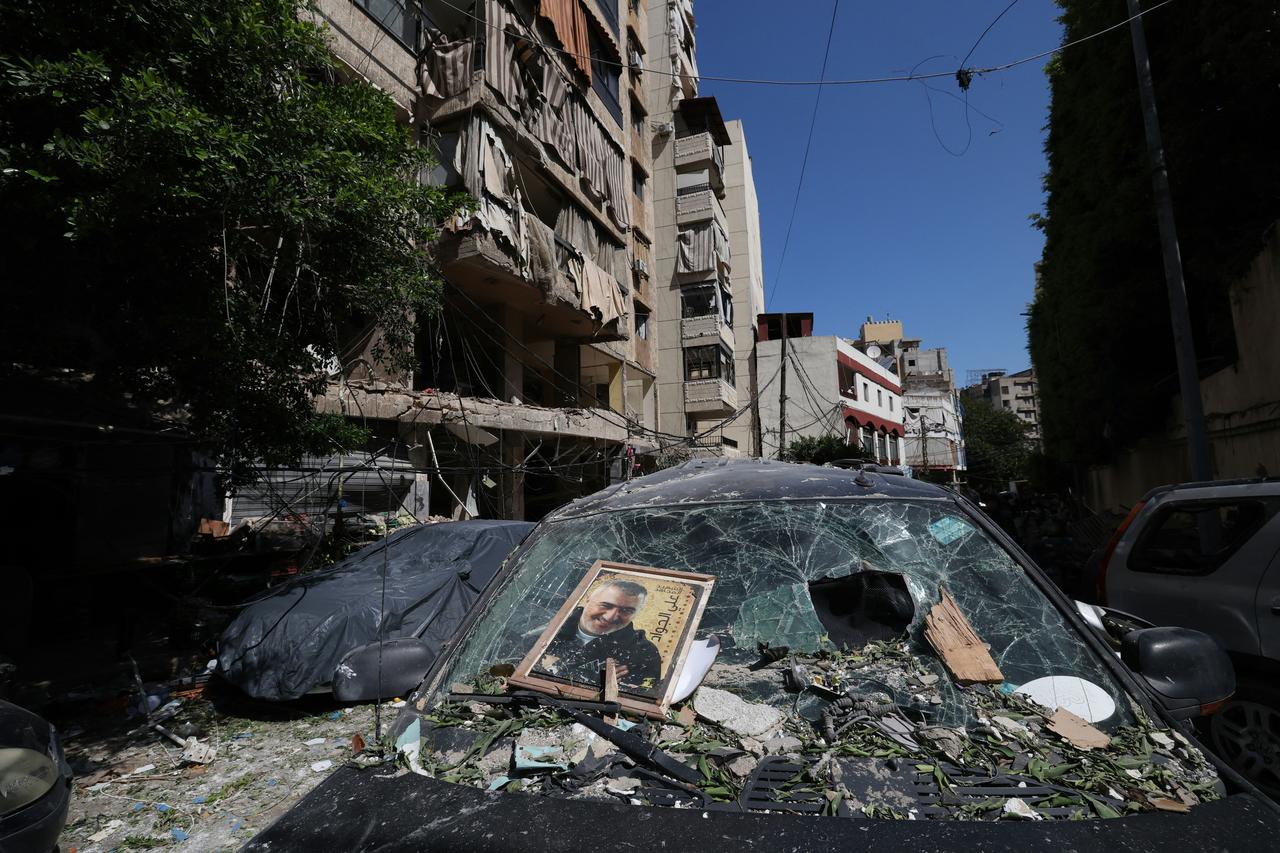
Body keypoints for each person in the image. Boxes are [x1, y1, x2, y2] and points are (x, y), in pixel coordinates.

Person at [537, 579, 662, 688]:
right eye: (606, 605)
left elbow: (642, 698)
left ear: (637, 613)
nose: (610, 617)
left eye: (626, 611)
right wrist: (588, 678)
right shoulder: (546, 623)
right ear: (588, 599)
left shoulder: (643, 653)